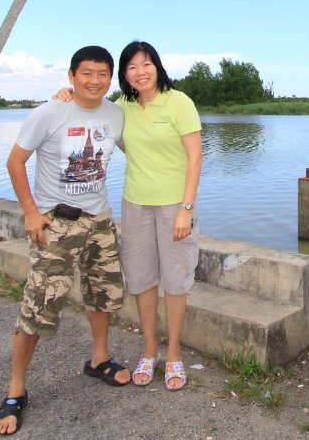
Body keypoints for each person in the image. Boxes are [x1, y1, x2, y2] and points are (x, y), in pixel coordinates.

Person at [0, 45, 131, 436]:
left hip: (99, 221)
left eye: (103, 74)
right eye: (87, 73)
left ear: (110, 77)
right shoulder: (49, 112)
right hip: (58, 223)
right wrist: (31, 213)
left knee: (102, 294)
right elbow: (14, 162)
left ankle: (99, 360)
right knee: (39, 305)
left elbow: (142, 146)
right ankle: (16, 390)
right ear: (71, 76)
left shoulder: (116, 114)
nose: (95, 81)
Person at [54, 40, 202, 391]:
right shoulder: (121, 108)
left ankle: (175, 353)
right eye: (132, 67)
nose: (141, 72)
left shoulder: (179, 102)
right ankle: (149, 350)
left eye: (146, 64)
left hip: (174, 205)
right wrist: (66, 95)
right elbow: (90, 111)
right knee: (142, 280)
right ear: (124, 74)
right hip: (135, 203)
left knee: (177, 280)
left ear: (157, 67)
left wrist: (186, 209)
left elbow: (195, 158)